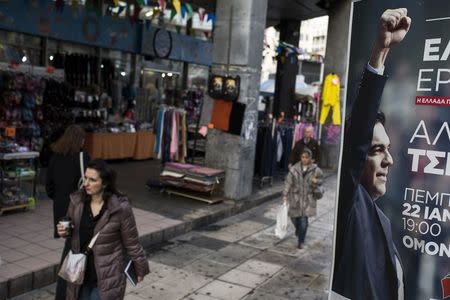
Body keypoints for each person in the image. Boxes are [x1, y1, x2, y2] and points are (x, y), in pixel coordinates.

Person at [331, 8, 411, 300]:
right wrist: (380, 51)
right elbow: (356, 141)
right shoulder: (349, 205)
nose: (389, 160)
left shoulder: (384, 222)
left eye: (388, 149)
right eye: (377, 150)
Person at [57, 159, 150, 300]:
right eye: (85, 178)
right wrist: (64, 232)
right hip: (79, 273)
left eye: (92, 180)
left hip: (107, 276)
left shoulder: (120, 208)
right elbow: (72, 230)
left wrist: (141, 268)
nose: (86, 183)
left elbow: (132, 242)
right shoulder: (77, 201)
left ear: (105, 183)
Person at [46, 124, 89, 300]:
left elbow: (49, 188)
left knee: (70, 246)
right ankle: (67, 293)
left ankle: (66, 292)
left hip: (61, 212)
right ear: (80, 140)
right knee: (74, 251)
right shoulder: (83, 158)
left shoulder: (55, 158)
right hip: (78, 213)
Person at [282, 148, 323, 249]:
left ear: (310, 158)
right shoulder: (294, 169)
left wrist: (316, 181)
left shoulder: (316, 169)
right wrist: (285, 195)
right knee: (293, 217)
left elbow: (322, 180)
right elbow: (288, 182)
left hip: (308, 199)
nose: (304, 159)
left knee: (304, 220)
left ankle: (301, 241)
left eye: (306, 157)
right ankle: (299, 230)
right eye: (302, 157)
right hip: (295, 198)